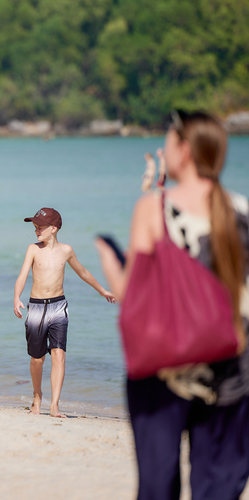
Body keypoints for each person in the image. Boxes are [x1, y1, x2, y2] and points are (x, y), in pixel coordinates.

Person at [95, 110, 249, 499]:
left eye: (168, 139)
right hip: (233, 371)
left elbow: (134, 296)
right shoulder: (241, 210)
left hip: (167, 369)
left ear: (183, 149)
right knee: (218, 486)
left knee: (158, 483)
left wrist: (111, 262)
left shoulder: (155, 208)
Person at [13, 208, 116, 418]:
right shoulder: (32, 249)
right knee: (37, 359)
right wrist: (16, 297)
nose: (36, 231)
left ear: (54, 228)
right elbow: (23, 275)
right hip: (36, 307)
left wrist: (102, 290)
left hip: (59, 307)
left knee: (59, 354)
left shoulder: (66, 250)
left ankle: (54, 405)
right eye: (34, 227)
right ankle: (37, 396)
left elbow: (83, 272)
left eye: (40, 227)